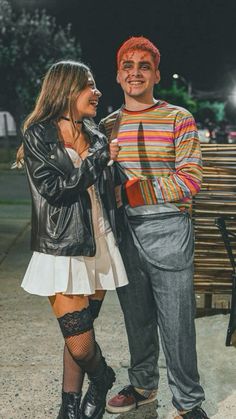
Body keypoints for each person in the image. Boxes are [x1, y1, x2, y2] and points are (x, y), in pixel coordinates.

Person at [99, 37, 209, 419]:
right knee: (137, 319)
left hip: (168, 229)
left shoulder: (180, 118)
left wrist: (133, 190)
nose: (135, 72)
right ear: (118, 75)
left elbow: (190, 179)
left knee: (178, 325)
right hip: (124, 233)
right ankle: (144, 386)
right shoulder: (107, 126)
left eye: (144, 65)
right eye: (128, 65)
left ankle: (188, 403)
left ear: (156, 74)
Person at [17, 60, 128, 419]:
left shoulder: (96, 133)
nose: (97, 92)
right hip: (62, 245)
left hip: (98, 241)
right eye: (89, 86)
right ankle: (103, 377)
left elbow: (104, 187)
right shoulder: (38, 133)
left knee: (80, 334)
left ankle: (69, 408)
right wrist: (99, 158)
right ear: (67, 89)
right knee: (81, 344)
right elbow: (57, 190)